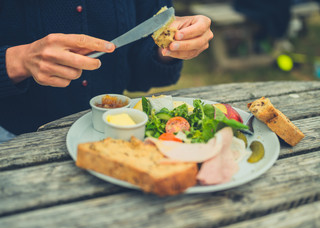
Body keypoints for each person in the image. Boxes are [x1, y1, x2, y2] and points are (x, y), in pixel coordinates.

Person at [0, 0, 213, 140]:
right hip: (16, 140)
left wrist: (173, 44)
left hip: (113, 133)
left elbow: (142, 63)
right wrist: (16, 61)